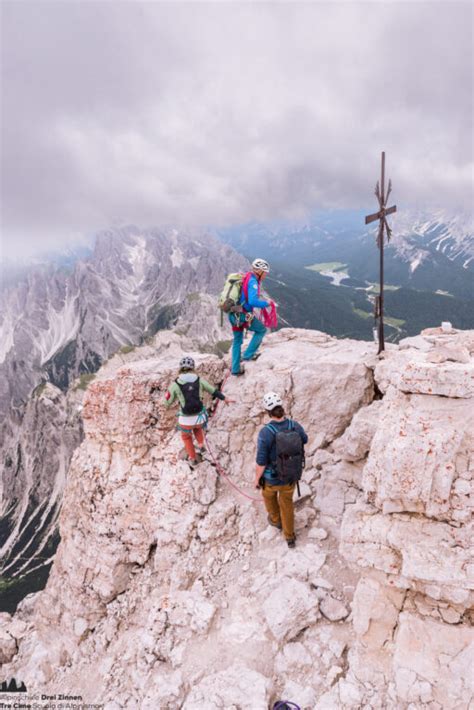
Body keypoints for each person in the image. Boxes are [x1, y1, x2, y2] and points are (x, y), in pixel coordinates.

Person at [254, 392, 308, 548]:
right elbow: (305, 439)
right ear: (282, 408)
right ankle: (290, 537)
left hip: (271, 479)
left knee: (268, 497)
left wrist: (257, 479)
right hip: (290, 476)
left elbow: (261, 461)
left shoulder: (266, 432)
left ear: (267, 412)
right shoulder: (294, 425)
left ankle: (276, 521)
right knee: (287, 504)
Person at [164, 356, 231, 467]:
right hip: (200, 418)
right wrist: (225, 399)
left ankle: (192, 458)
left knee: (186, 437)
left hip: (186, 420)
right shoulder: (199, 380)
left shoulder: (175, 384)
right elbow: (213, 391)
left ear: (181, 369)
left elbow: (167, 402)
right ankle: (200, 445)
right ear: (193, 368)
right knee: (197, 428)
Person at [229, 258, 272, 377]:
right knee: (261, 330)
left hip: (233, 314)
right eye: (265, 273)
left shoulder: (245, 277)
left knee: (237, 341)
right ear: (260, 271)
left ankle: (235, 369)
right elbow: (252, 301)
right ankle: (248, 355)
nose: (265, 276)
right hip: (243, 315)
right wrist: (266, 303)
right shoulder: (253, 281)